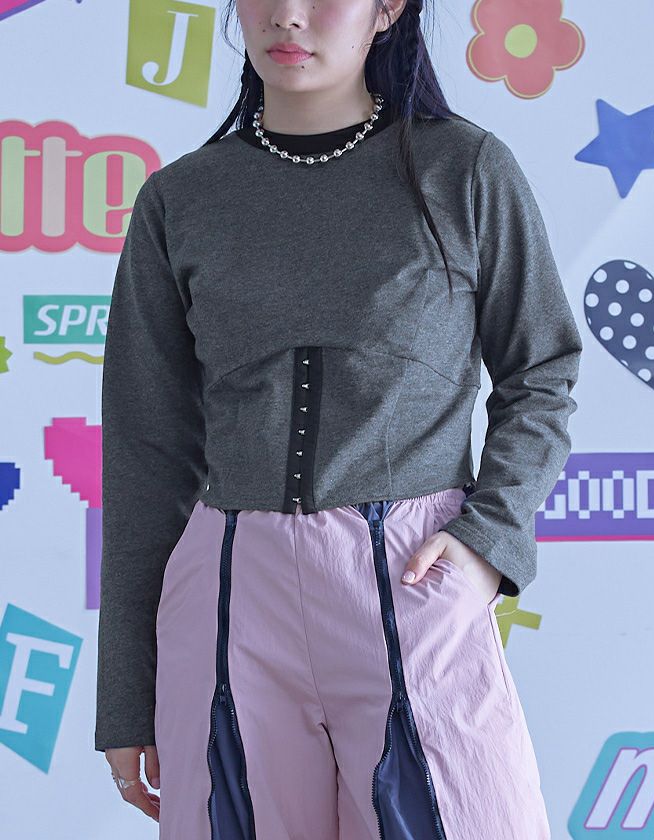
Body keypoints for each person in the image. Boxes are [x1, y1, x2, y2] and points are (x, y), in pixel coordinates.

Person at [95, 0, 583, 838]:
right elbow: (147, 451)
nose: (289, 16)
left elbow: (541, 371)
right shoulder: (181, 198)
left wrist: (489, 539)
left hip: (413, 576)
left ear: (387, 9)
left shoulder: (463, 169)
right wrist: (126, 699)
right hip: (226, 598)